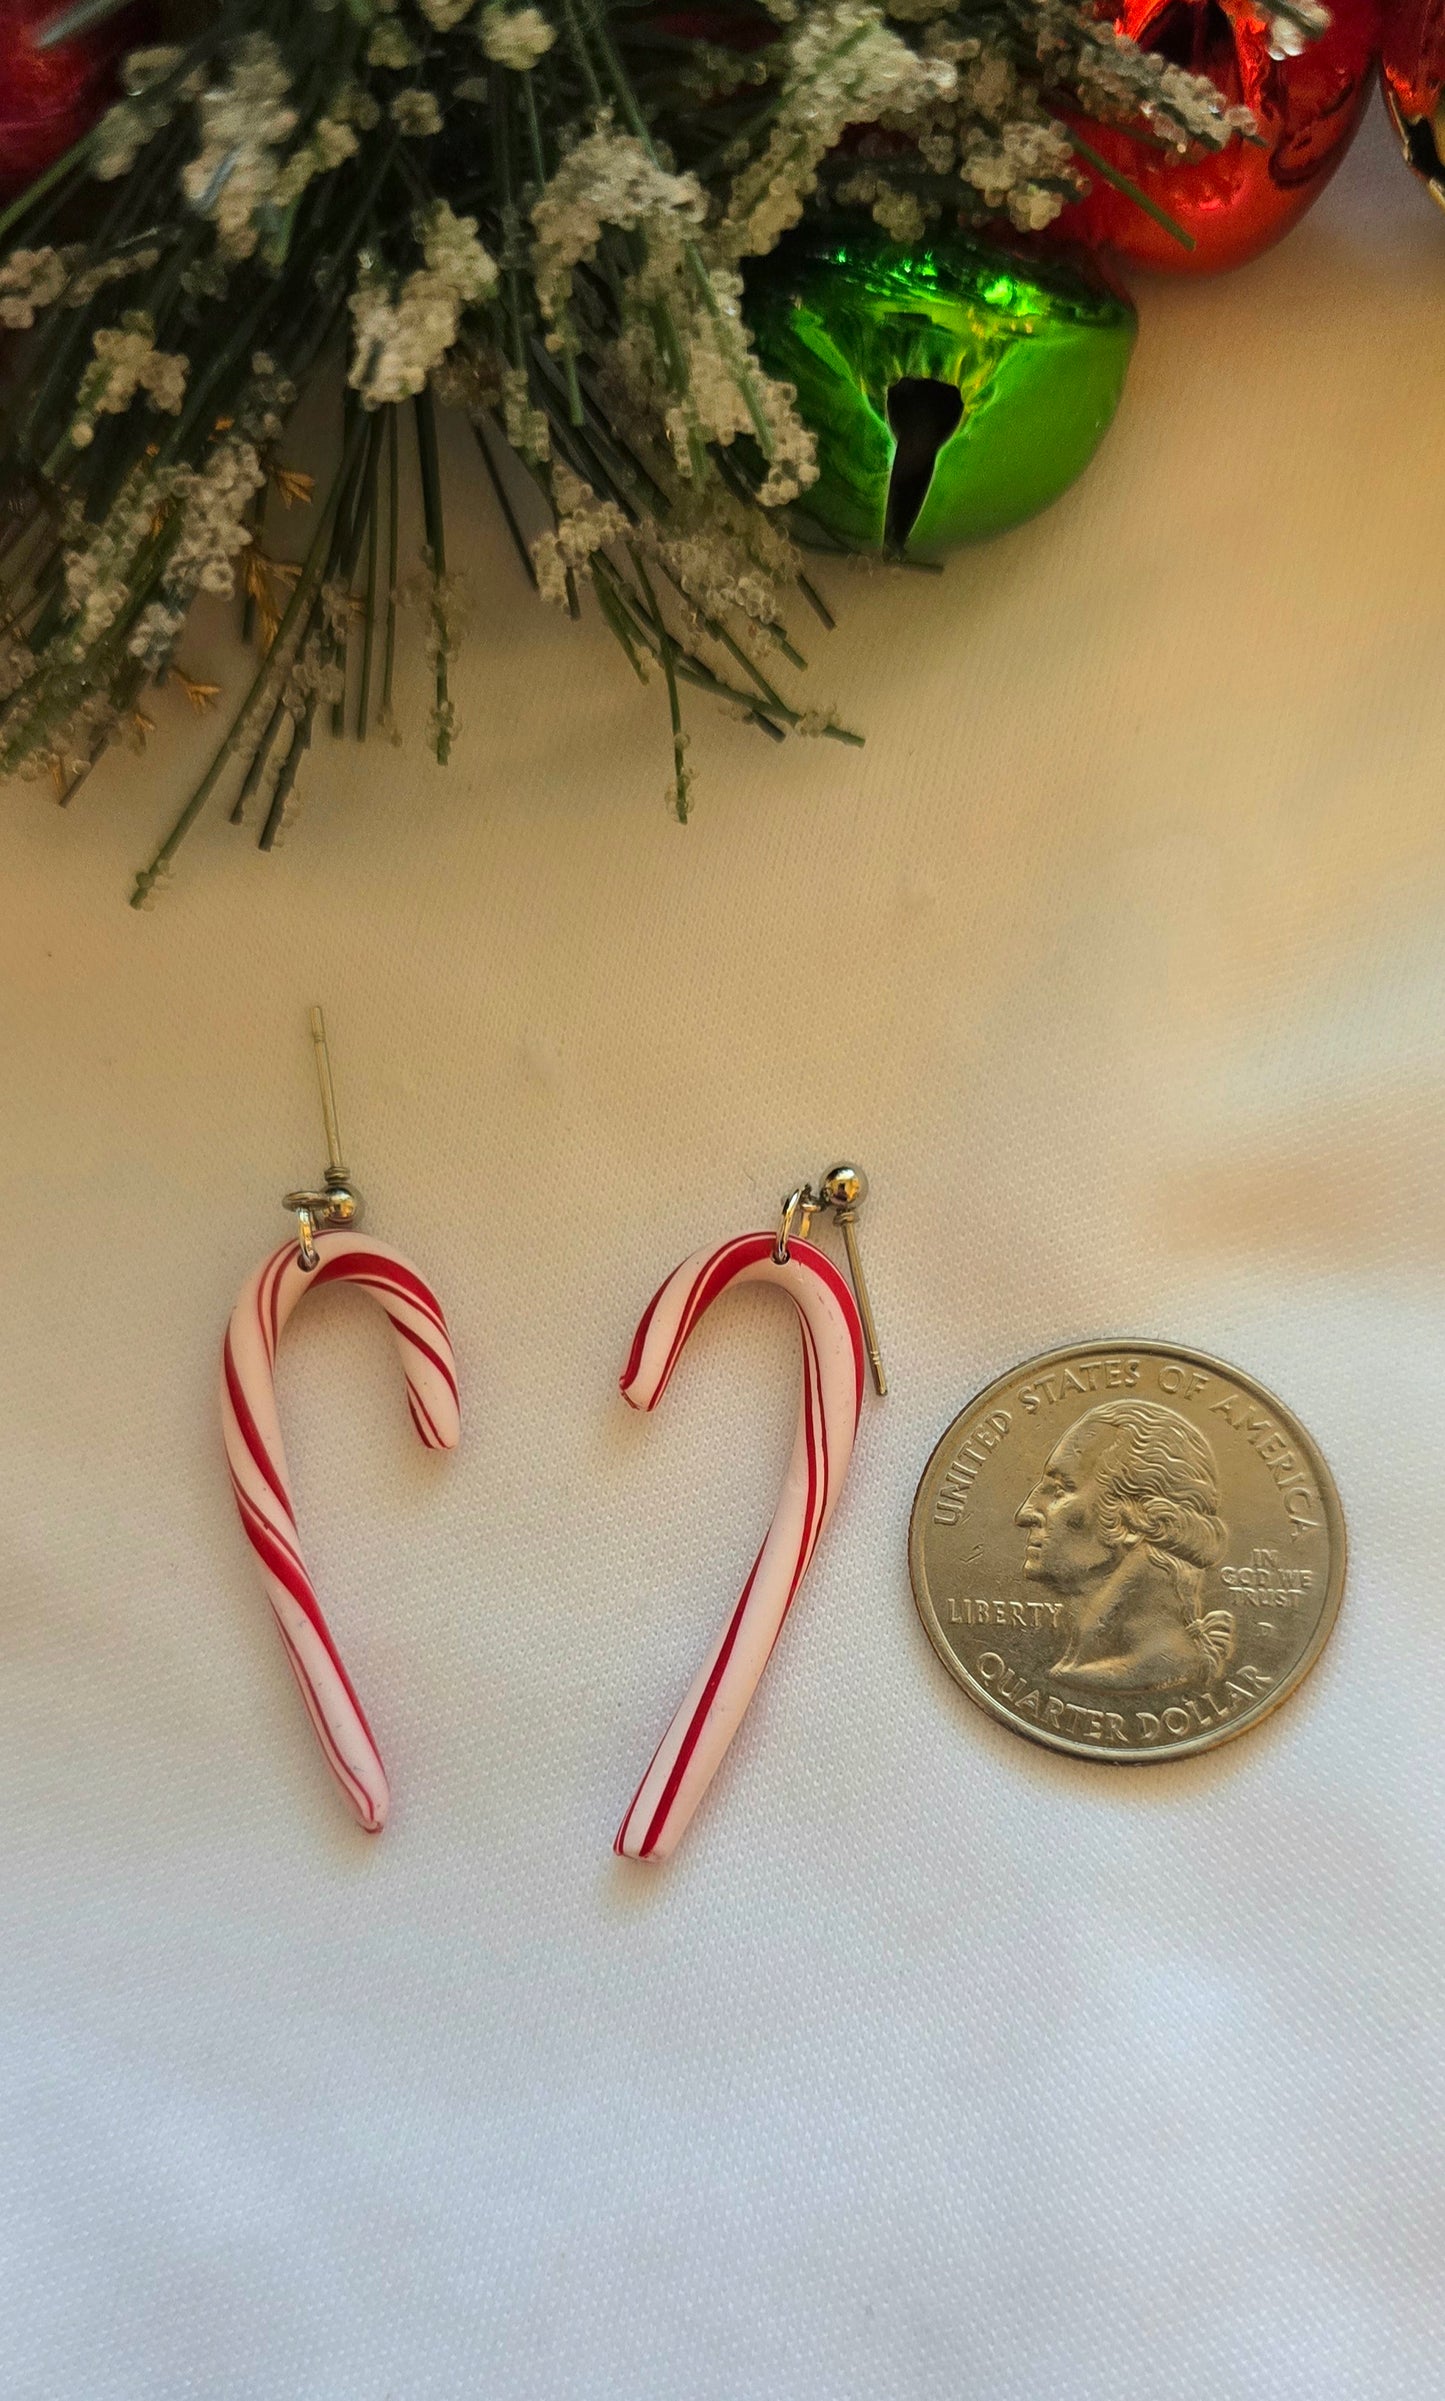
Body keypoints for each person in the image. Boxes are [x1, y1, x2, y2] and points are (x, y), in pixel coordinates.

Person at [1014, 1399, 1233, 1691]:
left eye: (1060, 1490)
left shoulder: (1144, 1673)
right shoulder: (1081, 1668)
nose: (1025, 1513)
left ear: (1134, 1518)